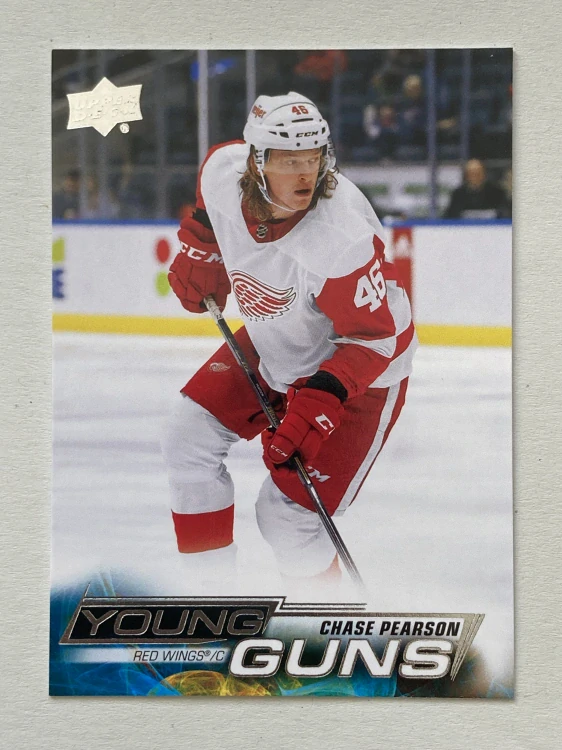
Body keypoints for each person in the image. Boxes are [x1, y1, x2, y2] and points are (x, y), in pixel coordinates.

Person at [162, 92, 417, 596]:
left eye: (313, 157)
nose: (306, 174)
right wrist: (202, 246)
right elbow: (212, 192)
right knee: (187, 438)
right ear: (256, 162)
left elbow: (374, 338)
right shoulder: (224, 169)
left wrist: (322, 398)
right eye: (289, 160)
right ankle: (211, 605)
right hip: (278, 332)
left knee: (286, 518)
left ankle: (321, 626)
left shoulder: (339, 235)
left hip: (362, 367)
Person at [444, 159, 508, 219]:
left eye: (478, 173)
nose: (474, 177)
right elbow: (450, 216)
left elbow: (505, 214)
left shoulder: (497, 192)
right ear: (466, 176)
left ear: (484, 174)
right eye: (471, 173)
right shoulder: (458, 194)